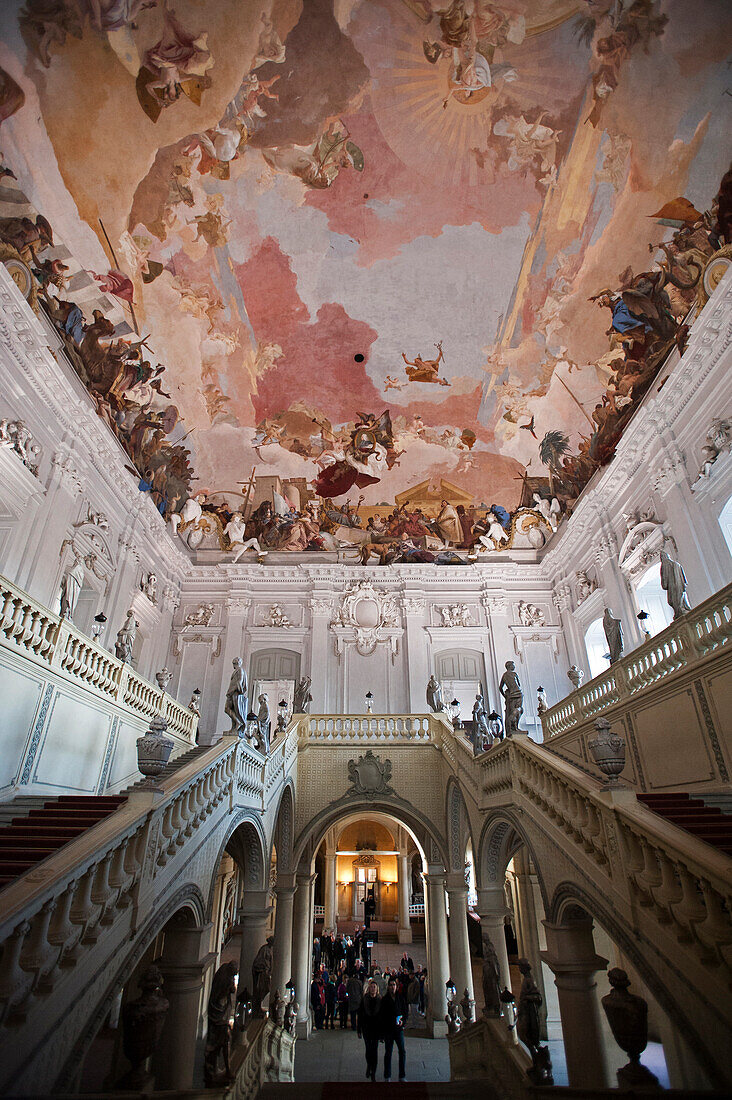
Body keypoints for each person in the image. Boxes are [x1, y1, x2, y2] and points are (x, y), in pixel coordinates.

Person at [380, 976, 408, 1082]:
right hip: (388, 1030)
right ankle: (387, 1076)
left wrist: (403, 1022)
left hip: (398, 1029)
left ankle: (402, 1075)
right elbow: (382, 1016)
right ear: (388, 987)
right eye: (391, 985)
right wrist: (382, 1034)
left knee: (402, 1051)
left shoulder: (400, 998)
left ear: (397, 986)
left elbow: (405, 1012)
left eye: (394, 985)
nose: (392, 987)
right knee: (388, 1053)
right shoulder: (385, 1000)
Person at [357, 979, 382, 1082]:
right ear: (369, 988)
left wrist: (383, 1032)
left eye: (374, 987)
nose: (373, 989)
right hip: (366, 1028)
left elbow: (382, 1017)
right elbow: (360, 1015)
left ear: (377, 989)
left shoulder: (380, 1000)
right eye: (371, 987)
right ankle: (369, 1065)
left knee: (374, 1051)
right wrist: (359, 1029)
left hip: (376, 1029)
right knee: (368, 1050)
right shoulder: (364, 999)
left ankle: (373, 1073)